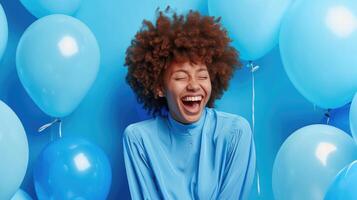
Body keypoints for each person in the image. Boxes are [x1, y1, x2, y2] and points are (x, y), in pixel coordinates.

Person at [123, 8, 256, 200]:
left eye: (202, 75)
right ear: (159, 87)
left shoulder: (235, 132)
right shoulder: (138, 139)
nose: (194, 85)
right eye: (180, 77)